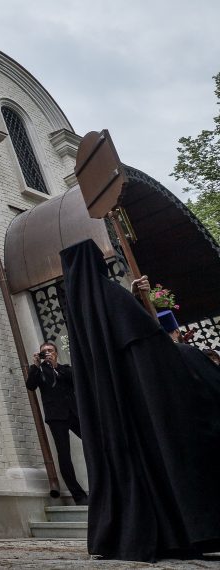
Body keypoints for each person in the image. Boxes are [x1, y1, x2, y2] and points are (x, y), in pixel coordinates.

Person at [60, 239, 220, 561]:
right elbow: (149, 344)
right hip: (139, 405)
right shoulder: (110, 295)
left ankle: (122, 533)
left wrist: (136, 299)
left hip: (112, 412)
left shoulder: (78, 308)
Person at [25, 341, 88, 505]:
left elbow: (76, 381)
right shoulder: (39, 372)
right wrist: (35, 366)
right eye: (44, 351)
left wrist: (55, 366)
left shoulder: (65, 369)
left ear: (56, 353)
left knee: (94, 444)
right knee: (64, 455)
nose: (47, 353)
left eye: (50, 350)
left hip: (74, 414)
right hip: (56, 417)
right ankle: (79, 496)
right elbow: (30, 385)